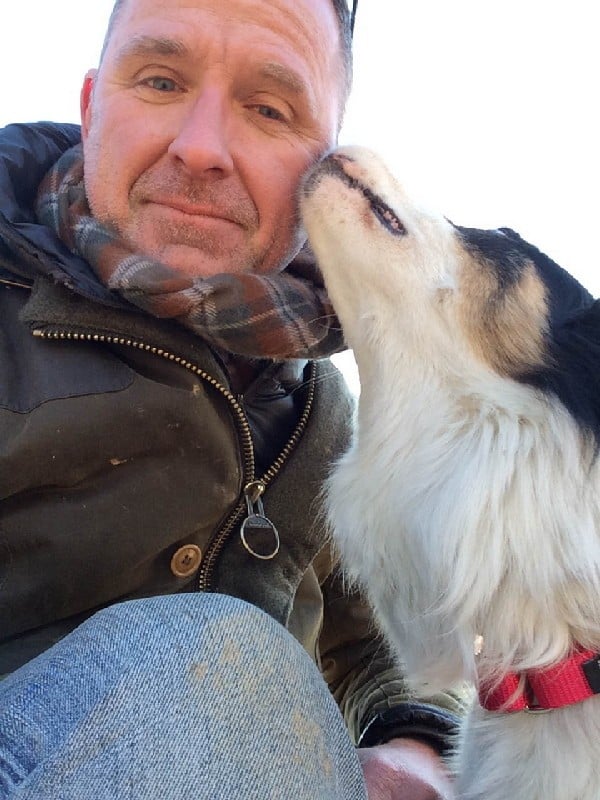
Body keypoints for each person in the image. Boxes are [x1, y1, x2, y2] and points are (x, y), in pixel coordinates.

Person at [0, 1, 470, 797]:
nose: (201, 147)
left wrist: (416, 740)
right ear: (91, 108)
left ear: (325, 164)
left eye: (266, 108)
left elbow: (386, 643)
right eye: (160, 80)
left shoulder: (334, 418)